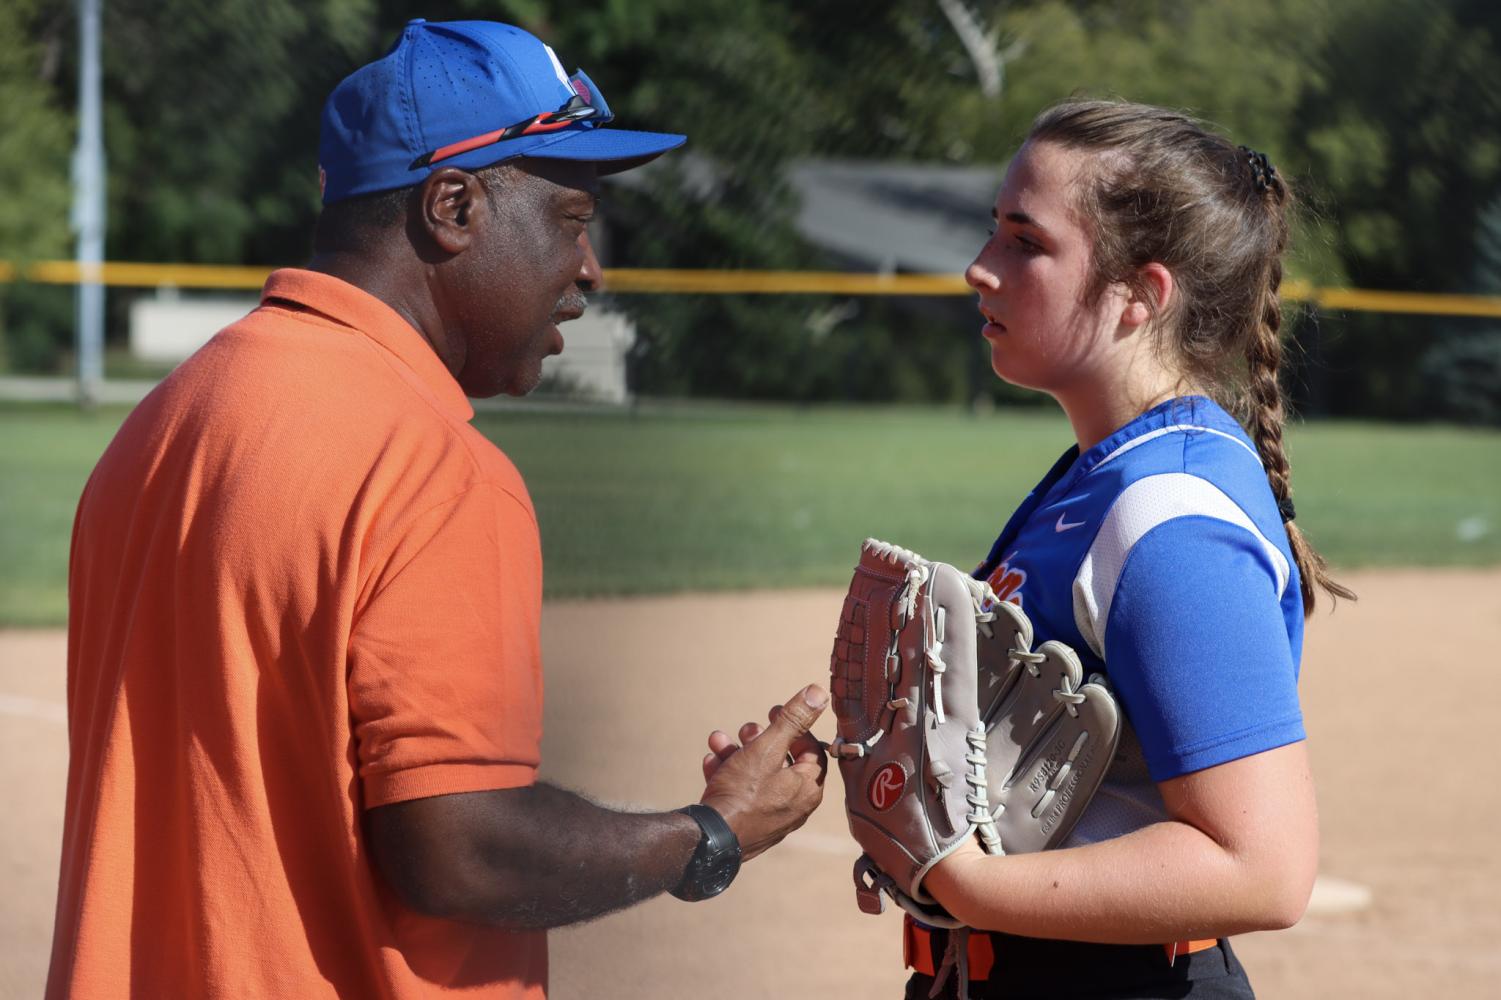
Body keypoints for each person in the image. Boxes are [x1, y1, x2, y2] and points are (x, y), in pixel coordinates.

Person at [47, 19, 828, 1000]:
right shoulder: (432, 465)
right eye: (571, 219)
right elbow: (458, 847)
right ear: (453, 204)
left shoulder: (163, 421)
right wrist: (706, 836)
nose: (588, 269)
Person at [901, 100, 1353, 999]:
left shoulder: (1169, 517)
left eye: (1026, 243)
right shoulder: (1100, 474)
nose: (979, 269)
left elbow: (1261, 868)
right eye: (994, 231)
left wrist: (967, 880)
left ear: (1141, 296)